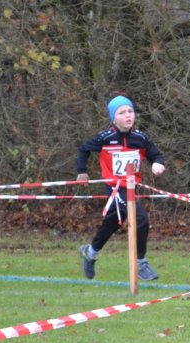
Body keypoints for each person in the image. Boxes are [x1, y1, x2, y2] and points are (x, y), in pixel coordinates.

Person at [76, 95, 166, 281]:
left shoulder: (140, 138)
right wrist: (82, 172)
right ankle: (140, 263)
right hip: (115, 189)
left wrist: (157, 164)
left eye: (130, 111)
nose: (128, 115)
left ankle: (90, 253)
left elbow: (156, 155)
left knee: (112, 223)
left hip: (132, 187)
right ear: (113, 119)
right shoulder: (105, 137)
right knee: (141, 218)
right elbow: (84, 149)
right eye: (122, 113)